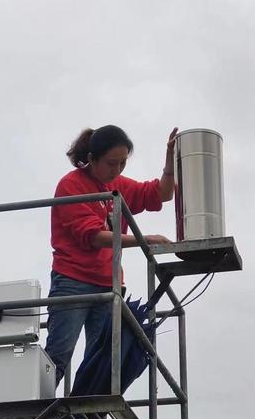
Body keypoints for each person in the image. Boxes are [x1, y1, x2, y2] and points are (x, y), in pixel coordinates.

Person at [45, 125, 177, 392]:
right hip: (73, 281)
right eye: (111, 163)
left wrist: (170, 159)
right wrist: (143, 240)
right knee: (58, 355)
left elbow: (161, 193)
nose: (117, 170)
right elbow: (93, 235)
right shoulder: (71, 185)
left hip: (109, 283)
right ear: (92, 159)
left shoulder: (116, 185)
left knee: (101, 364)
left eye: (123, 163)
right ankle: (32, 414)